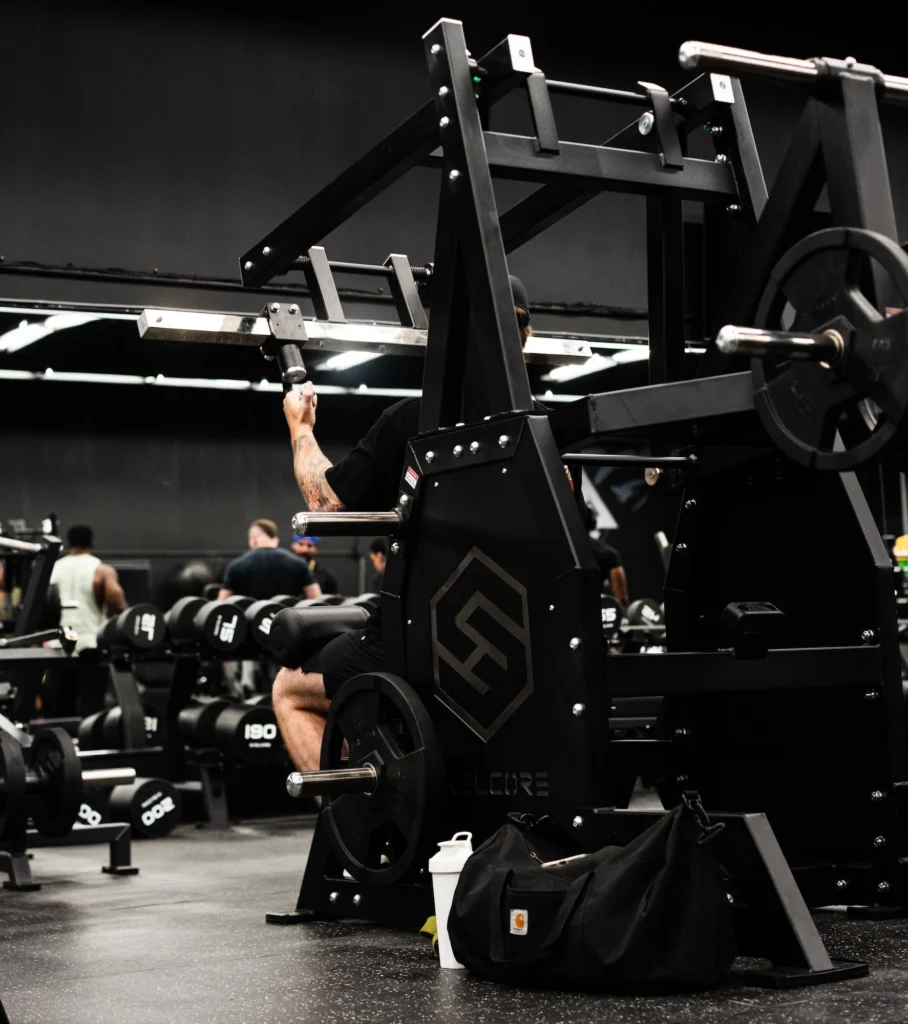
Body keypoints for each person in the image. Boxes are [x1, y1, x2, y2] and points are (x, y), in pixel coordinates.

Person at [272, 277, 534, 777]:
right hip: (520, 640)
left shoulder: (414, 421)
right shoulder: (543, 428)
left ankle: (360, 826)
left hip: (425, 638)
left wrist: (301, 428)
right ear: (525, 334)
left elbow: (324, 504)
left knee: (289, 688)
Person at [47, 525, 128, 714]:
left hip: (58, 645)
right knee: (91, 702)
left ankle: (62, 740)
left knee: (60, 703)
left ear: (68, 543)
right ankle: (90, 741)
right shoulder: (100, 570)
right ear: (92, 543)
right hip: (89, 643)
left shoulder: (53, 569)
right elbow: (115, 597)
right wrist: (121, 618)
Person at [218, 519, 322, 601]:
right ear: (275, 539)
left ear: (253, 540)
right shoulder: (299, 564)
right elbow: (315, 600)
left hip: (250, 625)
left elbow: (221, 604)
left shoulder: (236, 565)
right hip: (286, 625)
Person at [583, 504, 629, 608]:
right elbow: (621, 599)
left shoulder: (556, 549)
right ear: (592, 522)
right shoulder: (607, 553)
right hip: (592, 613)